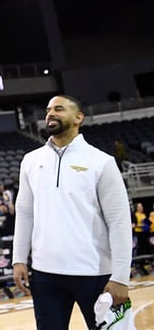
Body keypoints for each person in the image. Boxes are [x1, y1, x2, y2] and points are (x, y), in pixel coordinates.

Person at [13, 94, 132, 330]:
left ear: (78, 118)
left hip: (95, 272)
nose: (51, 114)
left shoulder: (102, 162)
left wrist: (120, 277)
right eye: (48, 110)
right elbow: (25, 212)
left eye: (59, 109)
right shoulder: (30, 160)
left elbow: (119, 222)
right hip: (45, 274)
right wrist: (18, 259)